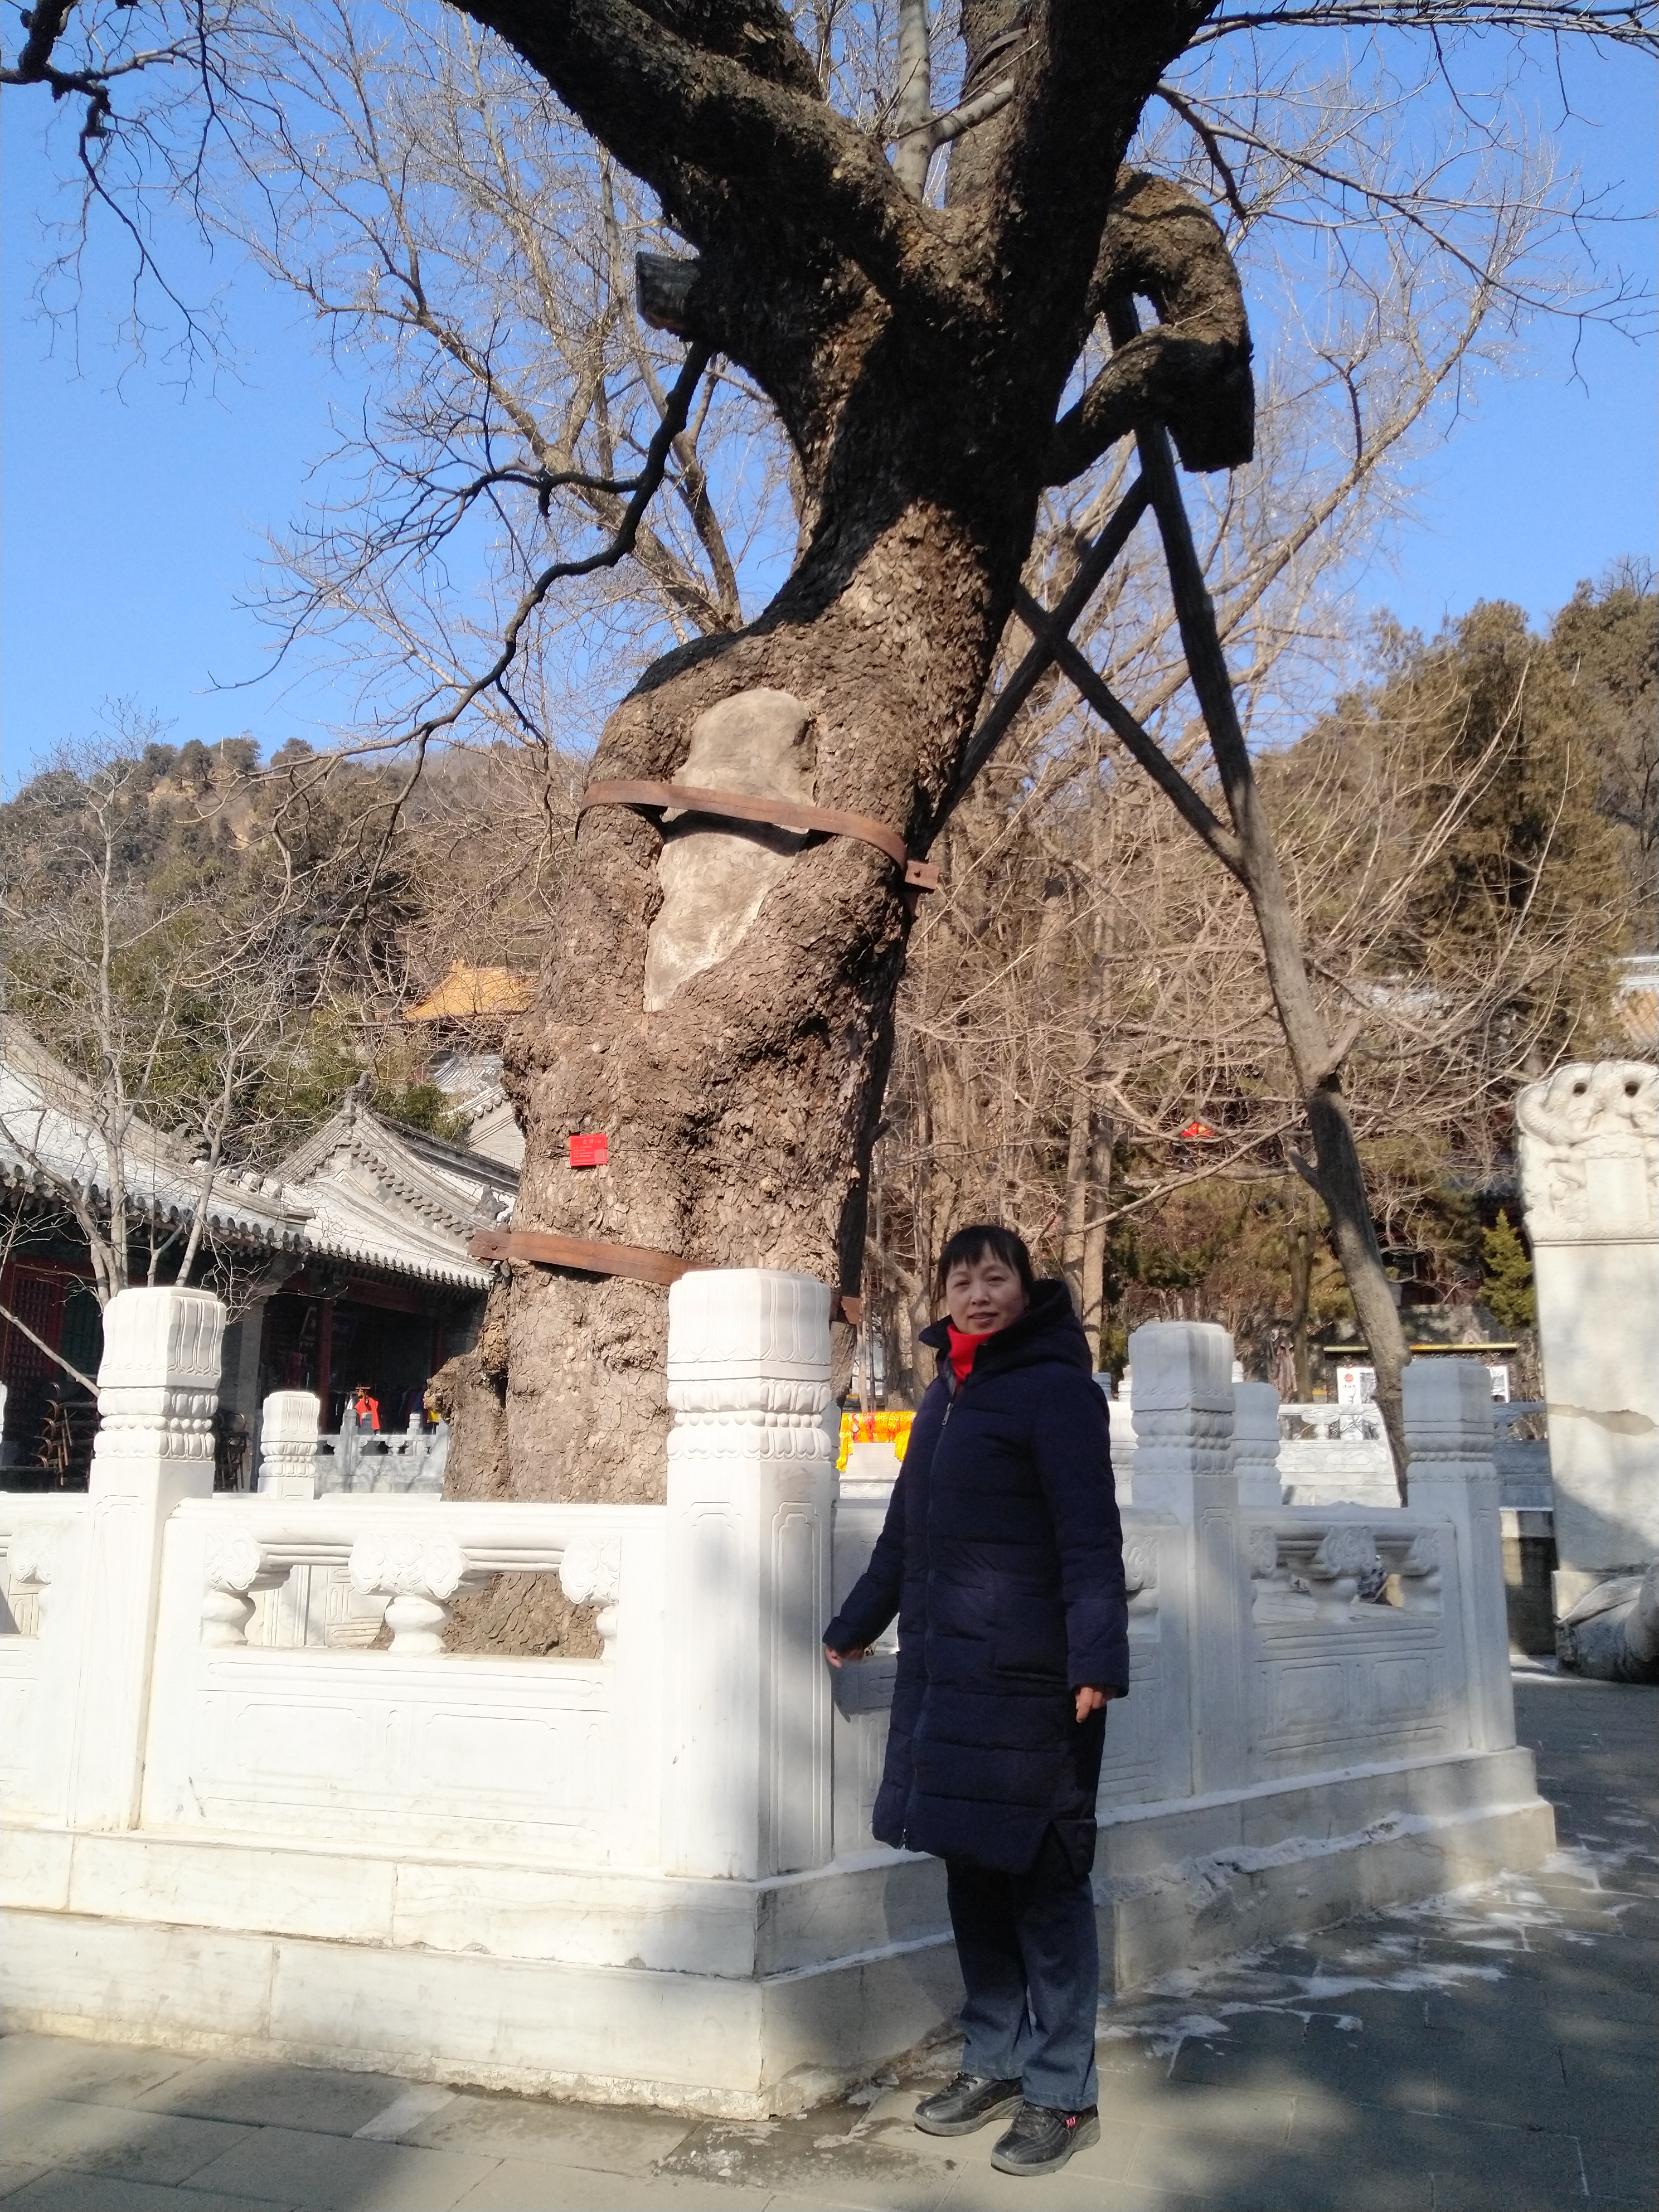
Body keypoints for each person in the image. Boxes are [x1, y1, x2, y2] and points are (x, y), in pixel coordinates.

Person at [823, 1224, 1128, 2179]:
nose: (978, 1293)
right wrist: (855, 1623)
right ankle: (993, 2057)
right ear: (944, 1295)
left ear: (1028, 1289)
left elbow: (1090, 1538)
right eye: (962, 1280)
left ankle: (1062, 2091)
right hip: (951, 1676)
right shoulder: (948, 1395)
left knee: (1044, 1877)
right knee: (973, 1870)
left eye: (996, 1277)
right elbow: (905, 1536)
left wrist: (1096, 1661)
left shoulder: (1059, 1391)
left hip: (1037, 1679)